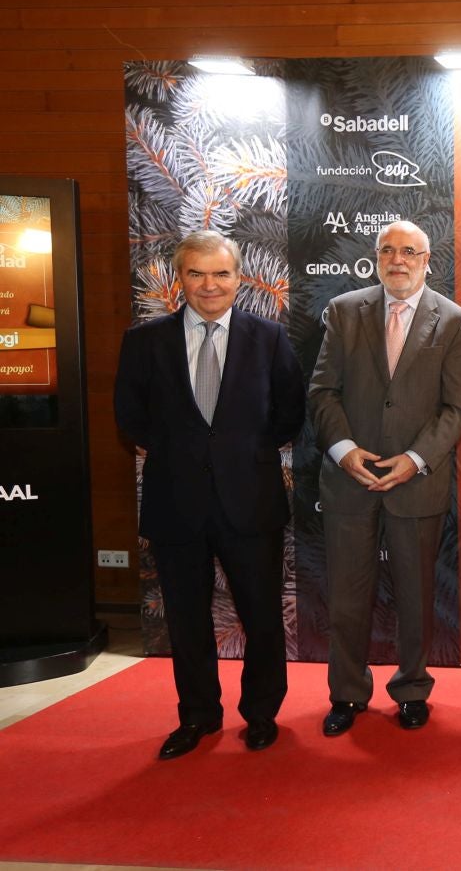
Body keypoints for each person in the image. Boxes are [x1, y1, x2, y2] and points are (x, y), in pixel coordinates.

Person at [114, 230, 305, 758]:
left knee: (262, 614)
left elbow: (290, 412)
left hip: (251, 499)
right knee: (186, 618)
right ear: (180, 280)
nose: (209, 284)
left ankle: (261, 712)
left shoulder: (268, 339)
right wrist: (185, 452)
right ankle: (197, 715)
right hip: (176, 503)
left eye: (220, 273)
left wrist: (241, 453)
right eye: (196, 273)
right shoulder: (145, 341)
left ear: (239, 279)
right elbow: (130, 417)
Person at [309, 220, 461, 736]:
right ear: (374, 258)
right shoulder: (344, 310)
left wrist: (415, 459)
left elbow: (456, 406)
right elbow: (322, 391)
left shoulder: (453, 320)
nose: (397, 260)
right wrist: (343, 450)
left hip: (416, 482)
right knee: (347, 597)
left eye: (409, 251)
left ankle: (411, 689)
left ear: (428, 261)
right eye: (387, 251)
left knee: (416, 596)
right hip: (349, 480)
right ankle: (347, 694)